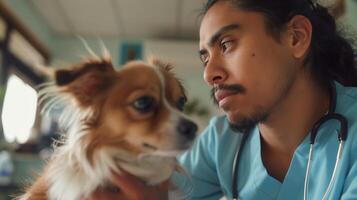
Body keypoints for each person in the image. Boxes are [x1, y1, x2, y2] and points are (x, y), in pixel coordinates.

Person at [91, 0, 357, 199]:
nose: (209, 74)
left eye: (226, 45)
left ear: (296, 37)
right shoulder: (221, 141)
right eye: (205, 57)